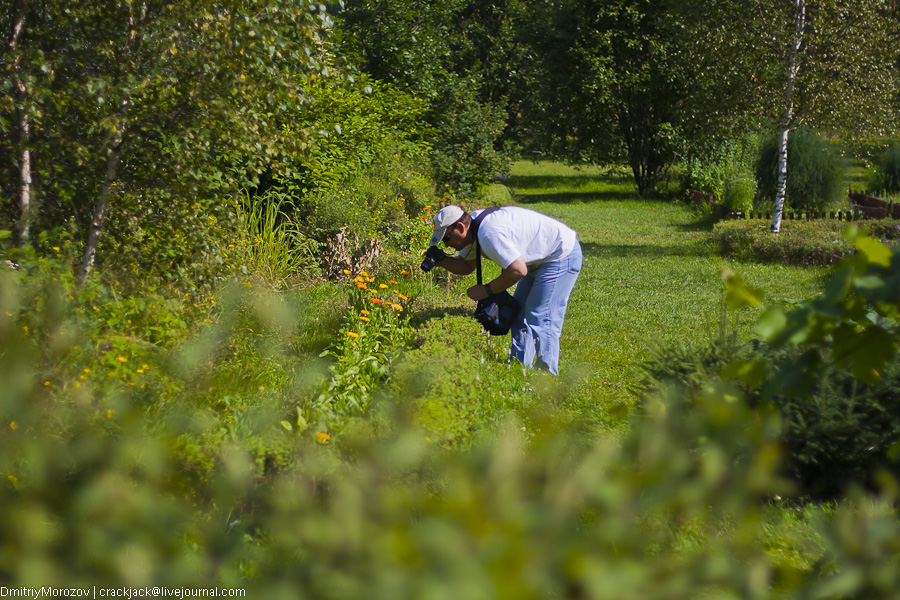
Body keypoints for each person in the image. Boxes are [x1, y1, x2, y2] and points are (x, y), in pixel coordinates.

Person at [427, 204, 582, 375]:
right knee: (519, 313)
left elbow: (518, 270)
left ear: (461, 227)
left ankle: (546, 375)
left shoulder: (488, 233)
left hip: (559, 254)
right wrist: (441, 261)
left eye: (446, 238)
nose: (446, 245)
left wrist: (487, 290)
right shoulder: (473, 227)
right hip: (536, 260)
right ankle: (518, 367)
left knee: (541, 315)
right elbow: (466, 266)